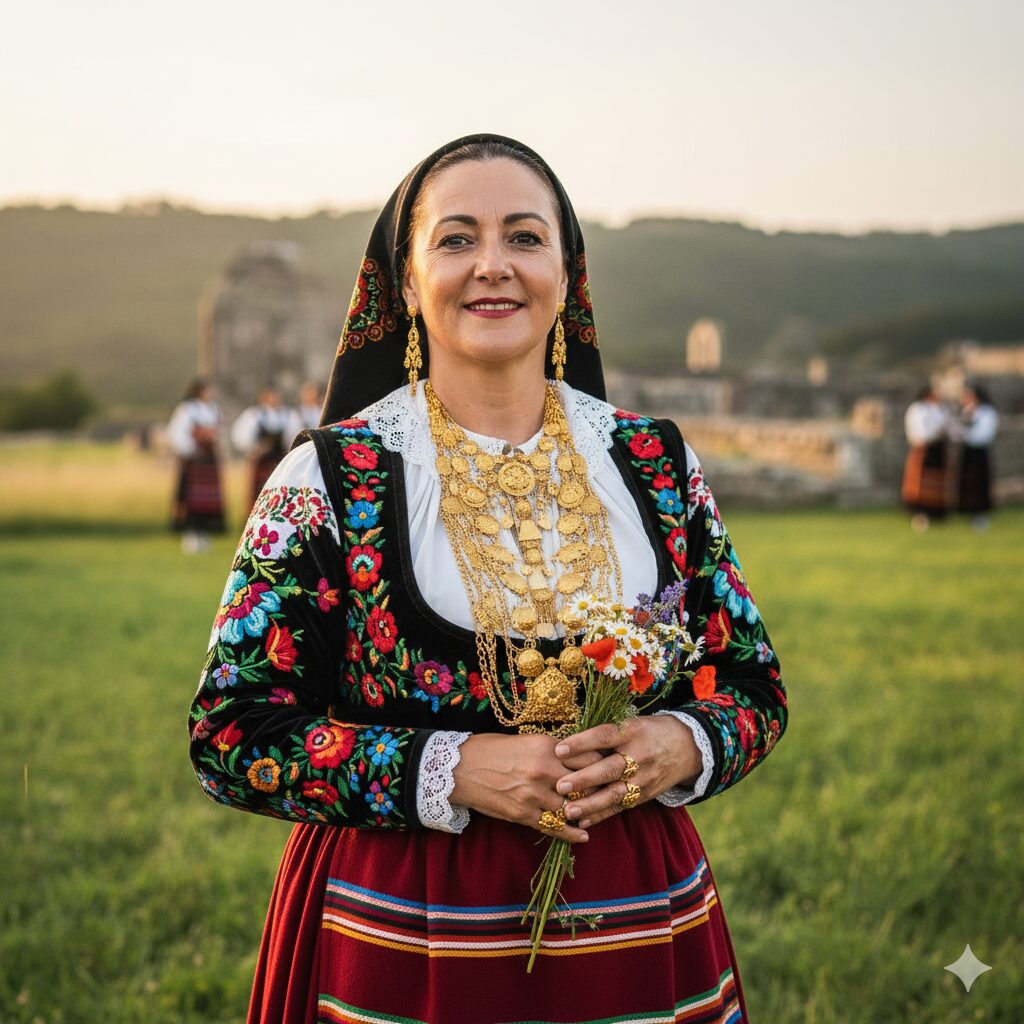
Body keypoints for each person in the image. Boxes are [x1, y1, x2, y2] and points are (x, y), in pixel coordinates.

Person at [189, 135, 788, 1024]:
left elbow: (754, 686)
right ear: (403, 282)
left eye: (525, 237)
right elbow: (230, 734)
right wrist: (451, 768)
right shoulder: (329, 479)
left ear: (567, 272)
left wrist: (678, 743)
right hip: (400, 928)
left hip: (636, 915)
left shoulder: (655, 465)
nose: (493, 267)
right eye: (457, 239)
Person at [166, 377, 225, 553]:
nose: (212, 393)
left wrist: (213, 442)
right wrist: (191, 449)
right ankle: (190, 536)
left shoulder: (214, 410)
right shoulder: (187, 410)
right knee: (191, 499)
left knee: (207, 499)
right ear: (199, 391)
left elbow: (219, 433)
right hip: (194, 460)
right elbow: (176, 433)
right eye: (208, 389)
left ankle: (206, 534)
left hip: (209, 459)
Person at [231, 385, 294, 509]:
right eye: (271, 396)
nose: (275, 399)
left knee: (281, 491)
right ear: (263, 398)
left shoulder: (288, 415)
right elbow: (239, 435)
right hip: (261, 461)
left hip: (280, 460)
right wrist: (256, 447)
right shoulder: (254, 415)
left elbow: (294, 435)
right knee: (258, 492)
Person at [901, 383, 953, 532]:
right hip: (923, 449)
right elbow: (920, 432)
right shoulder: (918, 409)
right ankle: (920, 515)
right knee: (921, 484)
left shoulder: (940, 409)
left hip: (938, 450)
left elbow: (949, 426)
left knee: (937, 484)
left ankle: (936, 514)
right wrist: (935, 432)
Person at [954, 383, 999, 531]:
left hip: (979, 452)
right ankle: (968, 512)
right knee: (967, 483)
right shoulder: (967, 411)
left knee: (979, 483)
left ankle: (980, 514)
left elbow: (984, 435)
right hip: (967, 451)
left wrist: (966, 434)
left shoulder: (987, 412)